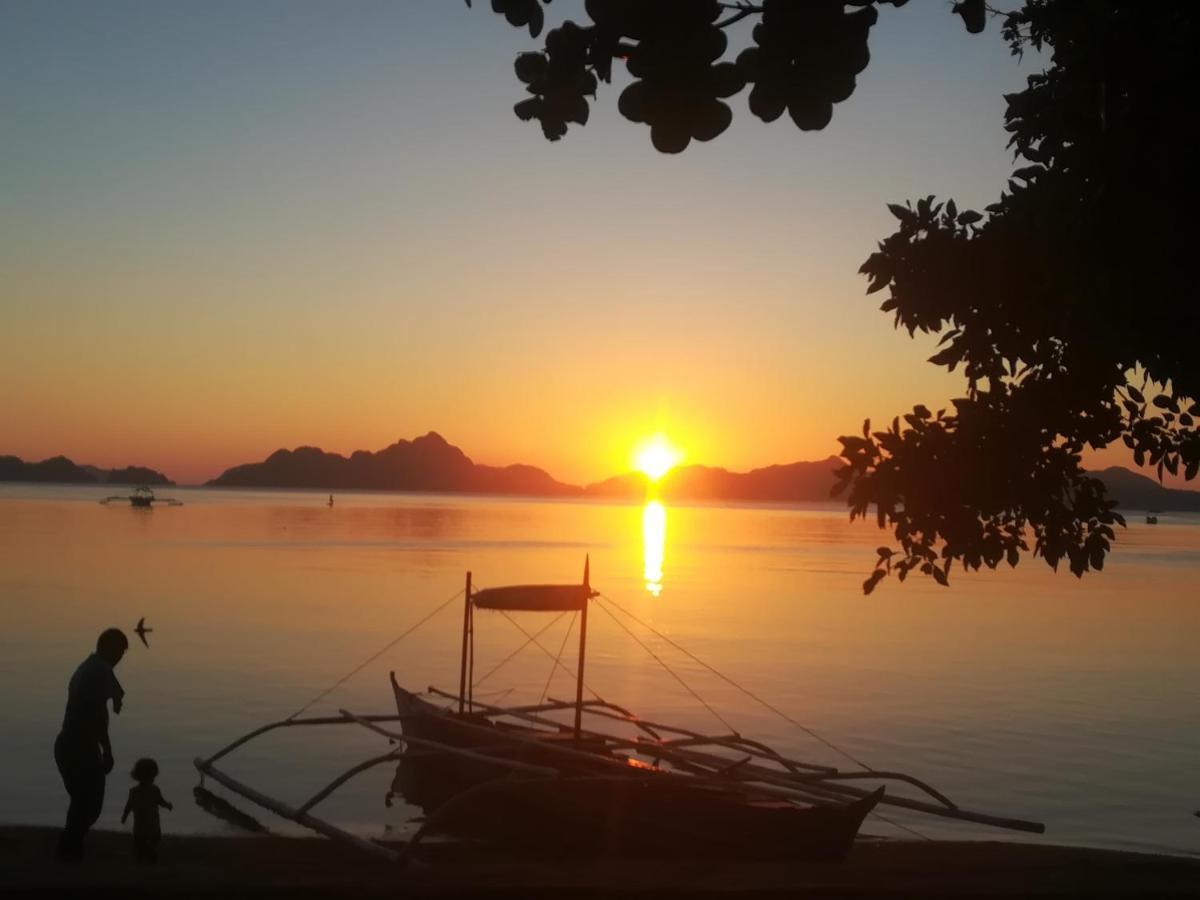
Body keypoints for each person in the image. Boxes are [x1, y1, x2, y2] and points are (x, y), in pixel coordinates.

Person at [54, 628, 128, 860]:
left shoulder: (92, 666)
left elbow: (112, 695)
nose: (121, 658)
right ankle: (69, 849)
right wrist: (107, 750)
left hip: (70, 745)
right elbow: (97, 715)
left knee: (83, 802)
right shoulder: (98, 670)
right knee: (89, 803)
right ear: (109, 648)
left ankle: (70, 848)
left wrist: (116, 698)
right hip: (78, 747)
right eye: (120, 651)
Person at [122, 758, 172, 862]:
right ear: (153, 775)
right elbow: (161, 801)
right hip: (153, 826)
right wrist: (168, 805)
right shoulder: (154, 790)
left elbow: (128, 806)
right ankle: (150, 853)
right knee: (153, 842)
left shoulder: (133, 791)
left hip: (139, 827)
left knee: (139, 847)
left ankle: (143, 857)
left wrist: (124, 817)